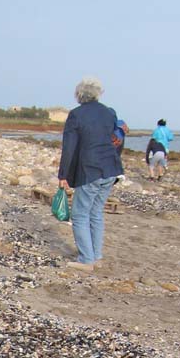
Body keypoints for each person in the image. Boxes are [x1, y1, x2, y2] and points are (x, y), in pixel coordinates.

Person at [57, 77, 123, 267]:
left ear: (79, 95)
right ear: (98, 93)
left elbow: (69, 147)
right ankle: (96, 256)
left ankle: (87, 260)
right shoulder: (109, 113)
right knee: (95, 213)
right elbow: (113, 140)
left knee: (79, 214)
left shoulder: (76, 115)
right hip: (111, 168)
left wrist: (63, 175)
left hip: (90, 169)